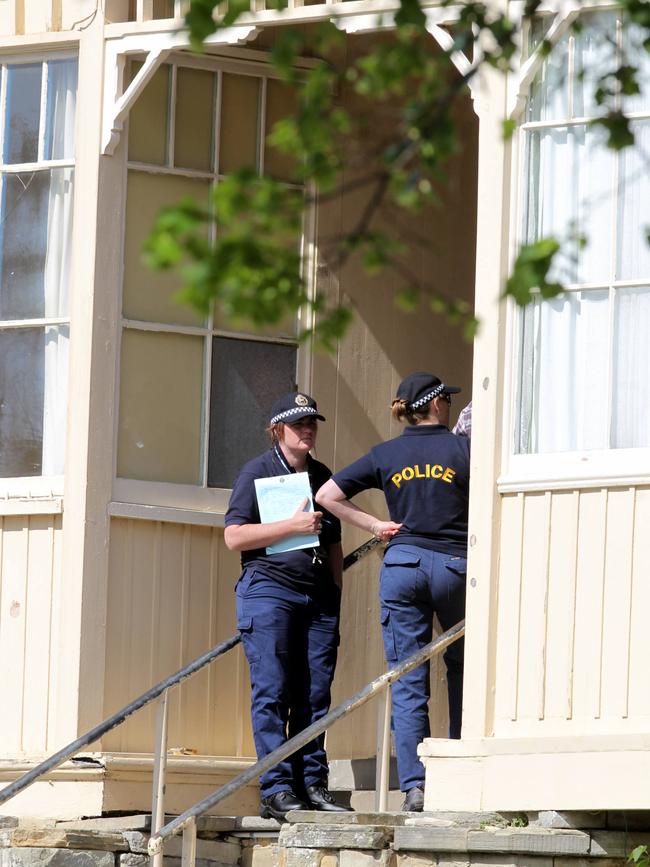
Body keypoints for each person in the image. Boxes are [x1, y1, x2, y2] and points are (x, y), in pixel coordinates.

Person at [316, 372, 470, 813]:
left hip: (403, 566)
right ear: (437, 404)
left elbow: (328, 495)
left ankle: (415, 787)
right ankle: (458, 771)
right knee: (463, 669)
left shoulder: (386, 454)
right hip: (457, 566)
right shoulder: (464, 450)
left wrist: (376, 526)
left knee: (407, 678)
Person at [224, 392, 352, 821]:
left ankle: (311, 782)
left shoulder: (322, 475)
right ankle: (276, 788)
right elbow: (234, 537)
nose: (308, 430)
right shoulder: (256, 472)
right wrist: (290, 526)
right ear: (278, 429)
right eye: (299, 424)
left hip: (317, 598)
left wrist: (335, 593)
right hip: (269, 591)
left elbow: (334, 542)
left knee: (314, 694)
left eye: (312, 422)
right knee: (274, 691)